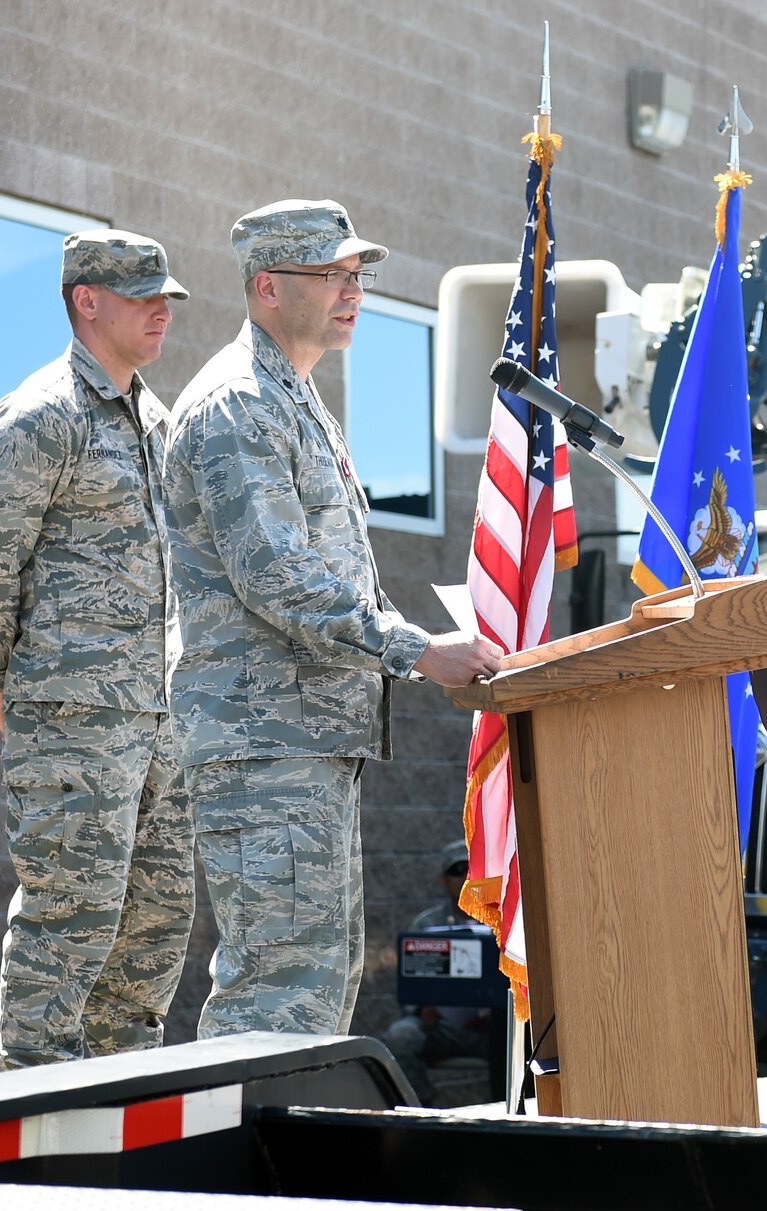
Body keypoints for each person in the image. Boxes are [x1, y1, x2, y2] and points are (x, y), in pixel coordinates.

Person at [162, 199, 502, 1038]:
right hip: (264, 743)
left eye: (357, 275)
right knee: (274, 992)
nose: (354, 291)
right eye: (331, 275)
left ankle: (278, 1170)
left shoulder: (297, 401)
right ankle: (235, 1172)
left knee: (313, 987)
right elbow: (281, 581)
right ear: (268, 287)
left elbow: (323, 574)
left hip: (306, 740)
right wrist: (420, 651)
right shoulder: (238, 405)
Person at [0, 229, 197, 1069]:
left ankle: (123, 1128)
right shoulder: (42, 415)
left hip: (156, 722)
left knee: (154, 932)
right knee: (68, 925)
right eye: (142, 295)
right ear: (86, 300)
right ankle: (32, 1129)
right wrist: (4, 677)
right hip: (74, 717)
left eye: (166, 295)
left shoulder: (154, 422)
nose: (162, 310)